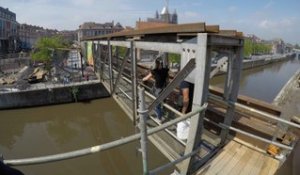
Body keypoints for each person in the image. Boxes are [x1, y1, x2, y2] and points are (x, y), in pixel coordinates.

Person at [142, 58, 169, 123]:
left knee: (157, 104)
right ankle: (162, 113)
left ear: (156, 64)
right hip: (164, 88)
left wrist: (142, 79)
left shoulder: (155, 71)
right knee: (161, 102)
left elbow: (146, 78)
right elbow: (167, 79)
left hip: (158, 89)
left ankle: (159, 118)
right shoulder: (165, 70)